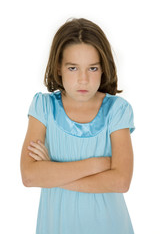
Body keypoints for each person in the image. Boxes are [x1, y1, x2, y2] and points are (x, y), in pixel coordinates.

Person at [20, 18, 135, 234]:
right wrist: (98, 164)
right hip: (57, 227)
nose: (83, 79)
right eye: (73, 68)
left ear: (103, 69)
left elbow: (120, 182)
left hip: (110, 226)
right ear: (59, 68)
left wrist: (52, 172)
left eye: (92, 68)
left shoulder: (117, 110)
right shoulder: (43, 107)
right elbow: (30, 176)